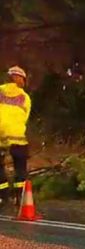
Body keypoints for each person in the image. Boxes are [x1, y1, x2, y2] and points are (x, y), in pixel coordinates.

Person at [0, 66, 31, 207]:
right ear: (20, 79)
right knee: (20, 167)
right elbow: (25, 117)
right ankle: (20, 198)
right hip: (17, 135)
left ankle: (2, 197)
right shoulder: (25, 97)